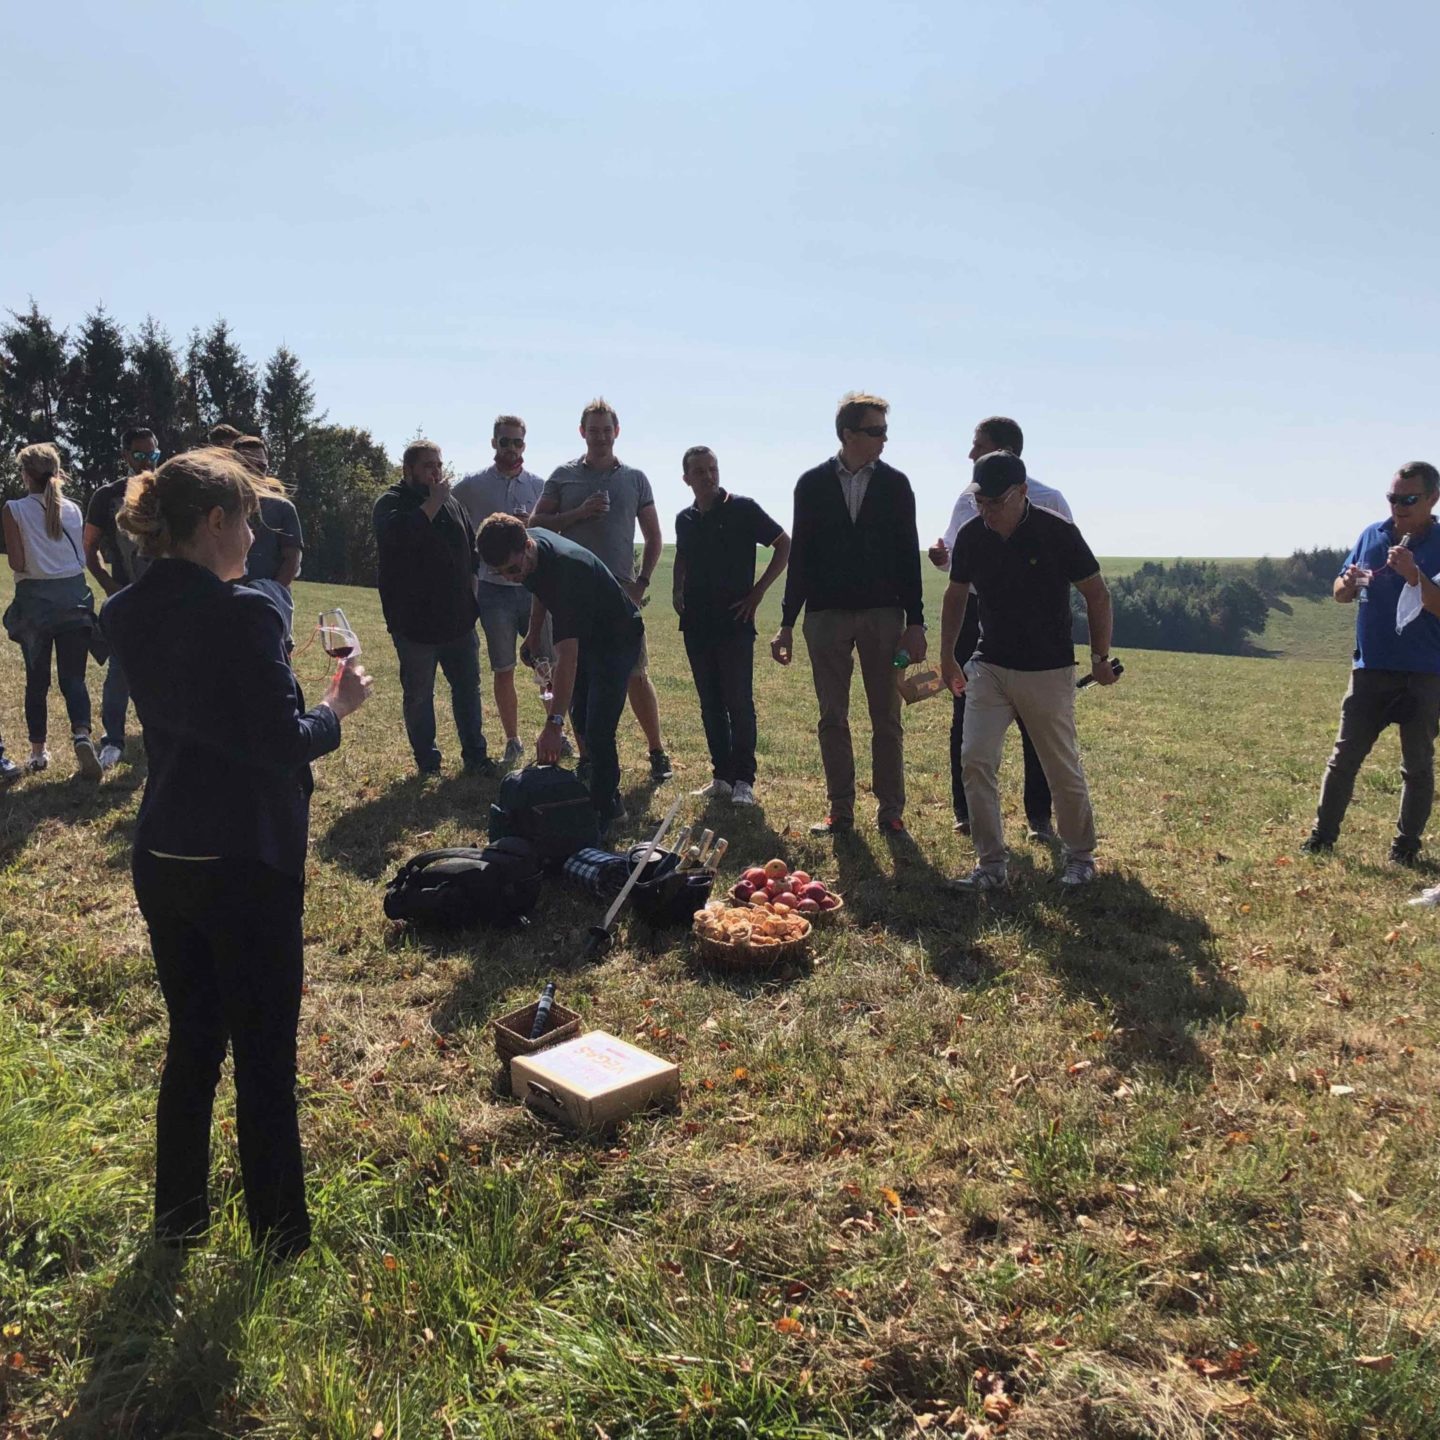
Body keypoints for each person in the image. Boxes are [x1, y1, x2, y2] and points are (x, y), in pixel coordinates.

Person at [102, 446, 371, 1260]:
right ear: (215, 521)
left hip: (165, 852)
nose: (256, 538)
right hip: (244, 858)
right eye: (249, 520)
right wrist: (336, 707)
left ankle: (179, 1219)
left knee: (193, 1041)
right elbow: (279, 743)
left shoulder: (127, 610)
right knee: (263, 1060)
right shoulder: (246, 613)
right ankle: (280, 1242)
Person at [940, 450, 1115, 890]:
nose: (986, 511)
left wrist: (1099, 658)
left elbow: (1097, 594)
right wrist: (947, 657)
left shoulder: (1057, 532)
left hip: (1047, 669)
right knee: (975, 760)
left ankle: (1080, 857)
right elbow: (955, 596)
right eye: (980, 501)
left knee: (1060, 766)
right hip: (989, 665)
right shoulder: (972, 535)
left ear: (1021, 492)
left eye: (996, 502)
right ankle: (990, 865)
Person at [770, 392, 925, 835]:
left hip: (883, 616)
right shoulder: (811, 484)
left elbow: (907, 556)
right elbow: (801, 556)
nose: (884, 439)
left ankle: (890, 812)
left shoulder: (896, 485)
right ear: (848, 434)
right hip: (826, 617)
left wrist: (916, 622)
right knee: (832, 717)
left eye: (885, 431)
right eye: (876, 431)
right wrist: (786, 623)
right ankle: (840, 810)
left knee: (886, 718)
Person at [928, 416, 1071, 841]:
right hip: (976, 615)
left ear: (1005, 451)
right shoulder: (965, 500)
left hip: (1035, 620)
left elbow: (1070, 561)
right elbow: (957, 562)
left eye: (978, 445)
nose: (970, 453)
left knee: (1036, 721)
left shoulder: (1050, 500)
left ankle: (1039, 817)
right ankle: (967, 811)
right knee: (966, 713)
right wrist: (942, 557)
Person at [1301, 461, 1440, 865]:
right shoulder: (1371, 535)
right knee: (1343, 759)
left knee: (1417, 766)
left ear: (1433, 498)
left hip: (1425, 673)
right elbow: (1339, 591)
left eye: (1409, 499)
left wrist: (1414, 575)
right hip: (1370, 669)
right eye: (1393, 498)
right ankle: (1321, 839)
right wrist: (1347, 583)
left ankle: (1405, 848)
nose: (1398, 506)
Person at [531, 398, 672, 783]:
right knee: (575, 677)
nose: (600, 437)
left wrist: (641, 583)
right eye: (593, 430)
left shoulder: (635, 478)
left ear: (617, 432)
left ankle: (657, 750)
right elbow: (535, 525)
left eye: (606, 430)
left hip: (620, 596)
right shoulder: (563, 475)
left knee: (635, 675)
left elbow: (654, 536)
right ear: (582, 432)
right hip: (572, 595)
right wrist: (578, 513)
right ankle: (588, 757)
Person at [476, 513, 642, 834]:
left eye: (512, 570)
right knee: (580, 714)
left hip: (617, 638)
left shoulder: (568, 570)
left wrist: (553, 724)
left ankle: (608, 810)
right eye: (501, 573)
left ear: (527, 546)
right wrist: (533, 633)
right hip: (588, 631)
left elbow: (567, 658)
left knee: (598, 727)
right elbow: (539, 588)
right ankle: (592, 777)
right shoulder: (529, 553)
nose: (510, 578)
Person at [673, 446, 790, 806]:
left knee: (738, 702)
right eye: (699, 471)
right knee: (710, 703)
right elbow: (682, 554)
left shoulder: (743, 509)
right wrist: (677, 588)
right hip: (696, 623)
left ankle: (744, 781)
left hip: (735, 622)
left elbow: (784, 544)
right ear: (686, 478)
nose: (708, 476)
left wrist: (757, 593)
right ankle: (721, 776)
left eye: (712, 469)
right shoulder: (684, 519)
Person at [454, 414, 571, 769]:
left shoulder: (539, 485)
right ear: (494, 443)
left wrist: (530, 525)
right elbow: (448, 513)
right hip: (493, 592)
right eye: (504, 441)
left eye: (517, 442)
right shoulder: (472, 485)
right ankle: (512, 740)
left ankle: (557, 729)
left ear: (524, 444)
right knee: (503, 667)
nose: (511, 448)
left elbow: (554, 530)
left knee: (546, 664)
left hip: (535, 589)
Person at [373, 439, 495, 776]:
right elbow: (398, 540)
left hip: (459, 620)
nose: (436, 472)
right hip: (414, 623)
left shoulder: (452, 504)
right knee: (419, 695)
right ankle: (428, 763)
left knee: (468, 689)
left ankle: (476, 756)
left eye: (438, 465)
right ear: (408, 470)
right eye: (428, 466)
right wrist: (433, 503)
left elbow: (470, 551)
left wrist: (471, 593)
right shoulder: (391, 503)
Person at [2, 444, 102, 779]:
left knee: (37, 682)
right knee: (74, 678)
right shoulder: (73, 508)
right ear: (57, 473)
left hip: (36, 605)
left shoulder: (14, 509)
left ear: (25, 475)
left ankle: (38, 752)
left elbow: (17, 563)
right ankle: (82, 735)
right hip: (74, 600)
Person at [82, 424, 161, 770]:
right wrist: (111, 587)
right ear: (126, 455)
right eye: (140, 454)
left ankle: (163, 734)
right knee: (120, 671)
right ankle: (113, 741)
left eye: (153, 454)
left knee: (169, 669)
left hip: (167, 598)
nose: (148, 462)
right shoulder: (107, 496)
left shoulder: (170, 491)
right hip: (127, 597)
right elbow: (89, 549)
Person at [233, 436, 304, 643]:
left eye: (261, 466)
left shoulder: (282, 508)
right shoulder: (221, 506)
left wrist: (268, 594)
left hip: (269, 608)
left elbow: (292, 559)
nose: (255, 472)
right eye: (247, 466)